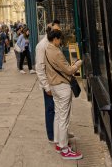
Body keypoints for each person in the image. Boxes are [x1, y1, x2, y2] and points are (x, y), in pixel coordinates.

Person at [45, 29, 83, 160]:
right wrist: (78, 64)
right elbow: (68, 70)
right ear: (55, 39)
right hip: (62, 87)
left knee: (58, 115)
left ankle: (58, 142)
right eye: (60, 39)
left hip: (54, 86)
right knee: (64, 119)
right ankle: (64, 149)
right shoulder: (56, 52)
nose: (61, 42)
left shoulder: (47, 49)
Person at [35, 20, 60, 142]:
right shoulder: (42, 46)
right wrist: (46, 87)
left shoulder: (53, 43)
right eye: (57, 30)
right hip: (49, 84)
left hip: (57, 82)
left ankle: (59, 132)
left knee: (58, 110)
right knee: (50, 109)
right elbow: (39, 68)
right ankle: (52, 135)